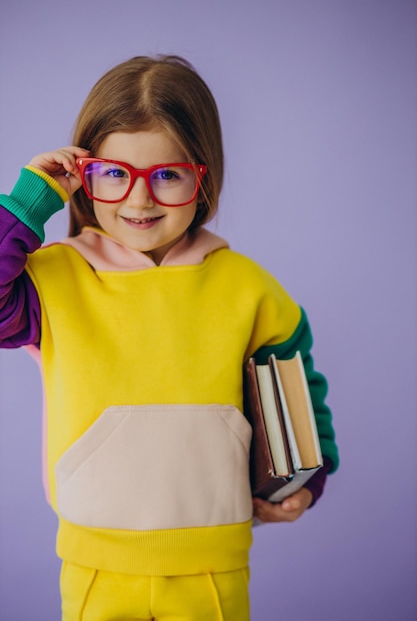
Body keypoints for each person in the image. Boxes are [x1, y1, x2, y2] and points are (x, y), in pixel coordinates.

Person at [0, 55, 339, 621]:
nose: (139, 200)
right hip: (94, 562)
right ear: (82, 174)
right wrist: (30, 201)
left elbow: (300, 390)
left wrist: (310, 476)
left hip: (215, 561)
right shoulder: (54, 279)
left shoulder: (248, 286)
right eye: (114, 173)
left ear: (202, 175)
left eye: (167, 174)